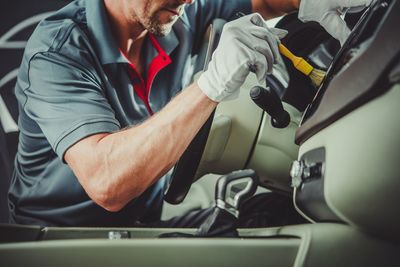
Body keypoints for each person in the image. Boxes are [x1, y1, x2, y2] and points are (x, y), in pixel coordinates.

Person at [8, 0, 373, 227]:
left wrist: (308, 0)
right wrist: (211, 85)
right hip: (61, 239)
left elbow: (265, 0)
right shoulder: (57, 51)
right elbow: (108, 183)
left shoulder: (175, 11)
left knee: (278, 215)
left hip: (139, 226)